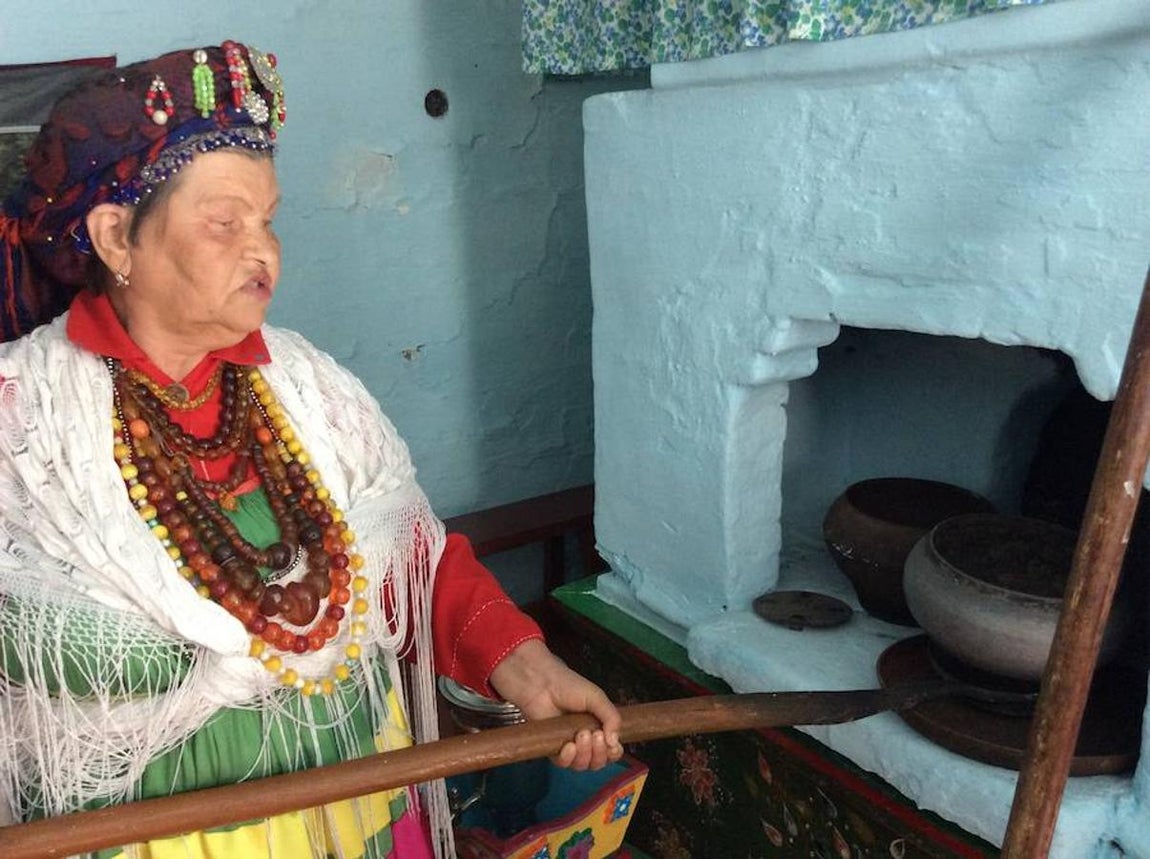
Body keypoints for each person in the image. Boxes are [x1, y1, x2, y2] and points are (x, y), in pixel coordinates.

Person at [0, 41, 622, 859]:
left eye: (268, 219)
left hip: (353, 810)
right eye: (225, 221)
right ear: (117, 237)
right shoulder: (24, 423)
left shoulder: (308, 391)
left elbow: (411, 559)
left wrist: (524, 665)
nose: (262, 249)